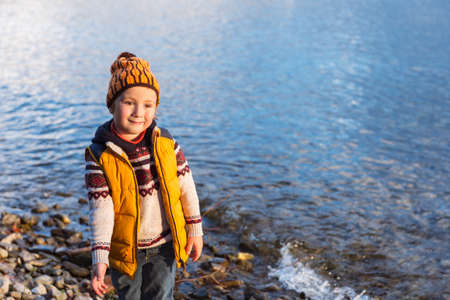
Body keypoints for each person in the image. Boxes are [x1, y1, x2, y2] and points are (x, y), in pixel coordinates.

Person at [84, 52, 203, 299]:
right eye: (129, 102)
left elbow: (186, 188)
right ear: (112, 105)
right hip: (125, 249)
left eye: (148, 105)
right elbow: (101, 211)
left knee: (161, 295)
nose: (139, 112)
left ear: (156, 107)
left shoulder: (166, 144)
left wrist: (195, 229)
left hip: (164, 245)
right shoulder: (101, 156)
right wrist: (100, 257)